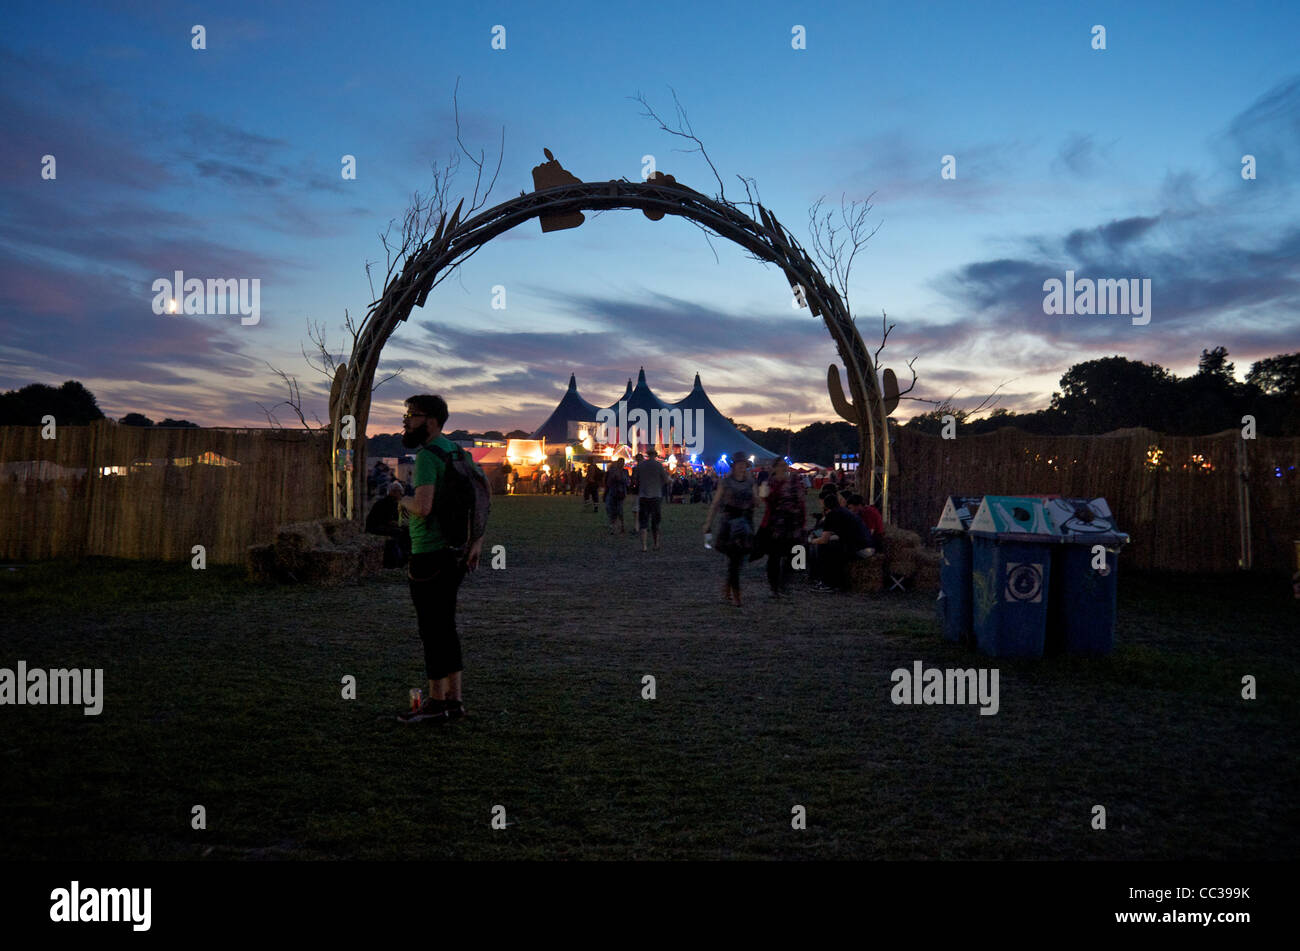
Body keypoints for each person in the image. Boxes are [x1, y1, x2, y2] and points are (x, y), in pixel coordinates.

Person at [396, 394, 485, 725]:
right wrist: (477, 539)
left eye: (412, 415)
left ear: (430, 420)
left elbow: (423, 507)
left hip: (429, 555)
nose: (406, 421)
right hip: (456, 554)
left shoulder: (427, 457)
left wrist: (400, 497)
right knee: (446, 627)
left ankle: (435, 702)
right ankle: (454, 702)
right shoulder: (457, 451)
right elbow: (482, 493)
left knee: (431, 629)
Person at [704, 456, 756, 605]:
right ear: (734, 466)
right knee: (734, 559)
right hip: (730, 524)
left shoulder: (750, 482)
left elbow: (756, 499)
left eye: (744, 465)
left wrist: (758, 499)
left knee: (739, 560)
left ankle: (728, 586)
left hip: (746, 522)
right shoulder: (726, 482)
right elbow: (715, 503)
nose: (742, 467)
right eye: (739, 464)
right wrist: (708, 522)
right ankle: (736, 596)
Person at [760, 458, 806, 599]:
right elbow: (766, 500)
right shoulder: (770, 483)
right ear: (774, 468)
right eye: (780, 465)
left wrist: (802, 520)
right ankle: (774, 587)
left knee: (793, 555)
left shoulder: (794, 480)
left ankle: (785, 583)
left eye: (785, 465)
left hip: (792, 523)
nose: (784, 468)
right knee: (774, 556)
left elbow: (800, 499)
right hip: (776, 525)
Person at [809, 490, 872, 591]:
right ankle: (832, 582)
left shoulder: (832, 515)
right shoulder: (843, 511)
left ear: (826, 506)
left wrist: (811, 541)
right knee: (833, 546)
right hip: (868, 546)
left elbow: (824, 540)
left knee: (825, 549)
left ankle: (829, 583)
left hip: (860, 549)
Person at [365, 480, 410, 568]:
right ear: (394, 492)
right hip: (376, 527)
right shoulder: (387, 503)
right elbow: (389, 521)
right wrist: (403, 524)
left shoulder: (393, 503)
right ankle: (400, 560)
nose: (401, 495)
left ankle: (403, 558)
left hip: (381, 526)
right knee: (401, 532)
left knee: (404, 531)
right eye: (400, 493)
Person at [633, 448, 668, 551]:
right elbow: (665, 480)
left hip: (643, 496)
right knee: (655, 521)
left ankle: (644, 546)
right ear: (656, 455)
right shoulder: (659, 465)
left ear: (647, 455)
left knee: (643, 521)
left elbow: (635, 479)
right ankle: (656, 544)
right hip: (656, 495)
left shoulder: (641, 466)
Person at [604, 459, 629, 534]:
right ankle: (614, 527)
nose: (621, 464)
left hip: (620, 493)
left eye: (622, 463)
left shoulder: (625, 472)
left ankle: (621, 526)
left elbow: (627, 482)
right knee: (611, 510)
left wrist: (620, 478)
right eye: (619, 463)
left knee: (619, 510)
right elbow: (608, 482)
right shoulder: (612, 471)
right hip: (612, 492)